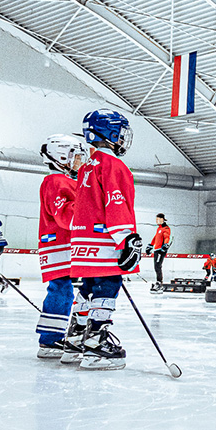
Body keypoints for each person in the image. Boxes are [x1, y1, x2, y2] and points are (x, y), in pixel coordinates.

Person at [68, 110, 142, 370]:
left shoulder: (87, 167)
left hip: (82, 242)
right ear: (111, 133)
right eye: (120, 132)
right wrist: (127, 239)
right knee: (107, 286)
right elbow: (116, 203)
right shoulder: (114, 166)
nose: (122, 138)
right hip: (104, 241)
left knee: (87, 288)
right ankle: (96, 344)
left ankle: (76, 337)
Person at [33, 134, 89, 359]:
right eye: (75, 156)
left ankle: (53, 337)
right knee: (61, 290)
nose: (79, 162)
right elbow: (66, 217)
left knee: (64, 290)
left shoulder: (67, 180)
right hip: (58, 246)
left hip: (65, 245)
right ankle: (49, 340)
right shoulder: (55, 181)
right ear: (61, 156)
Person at [145, 213, 172, 288]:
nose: (157, 221)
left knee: (158, 266)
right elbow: (155, 237)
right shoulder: (159, 228)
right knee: (156, 266)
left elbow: (167, 237)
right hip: (156, 249)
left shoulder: (166, 228)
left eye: (159, 219)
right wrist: (150, 245)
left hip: (161, 250)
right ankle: (158, 281)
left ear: (163, 219)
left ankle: (159, 282)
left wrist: (165, 244)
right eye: (156, 219)